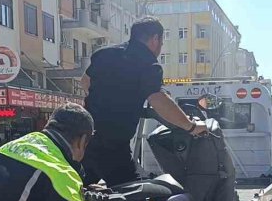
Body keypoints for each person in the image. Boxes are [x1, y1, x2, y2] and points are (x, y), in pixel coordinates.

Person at [81, 16, 208, 186]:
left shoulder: (103, 54)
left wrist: (107, 101)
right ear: (155, 39)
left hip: (83, 140)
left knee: (77, 192)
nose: (160, 47)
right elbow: (158, 99)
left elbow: (85, 82)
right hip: (113, 147)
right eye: (161, 42)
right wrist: (190, 126)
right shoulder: (149, 65)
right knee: (137, 194)